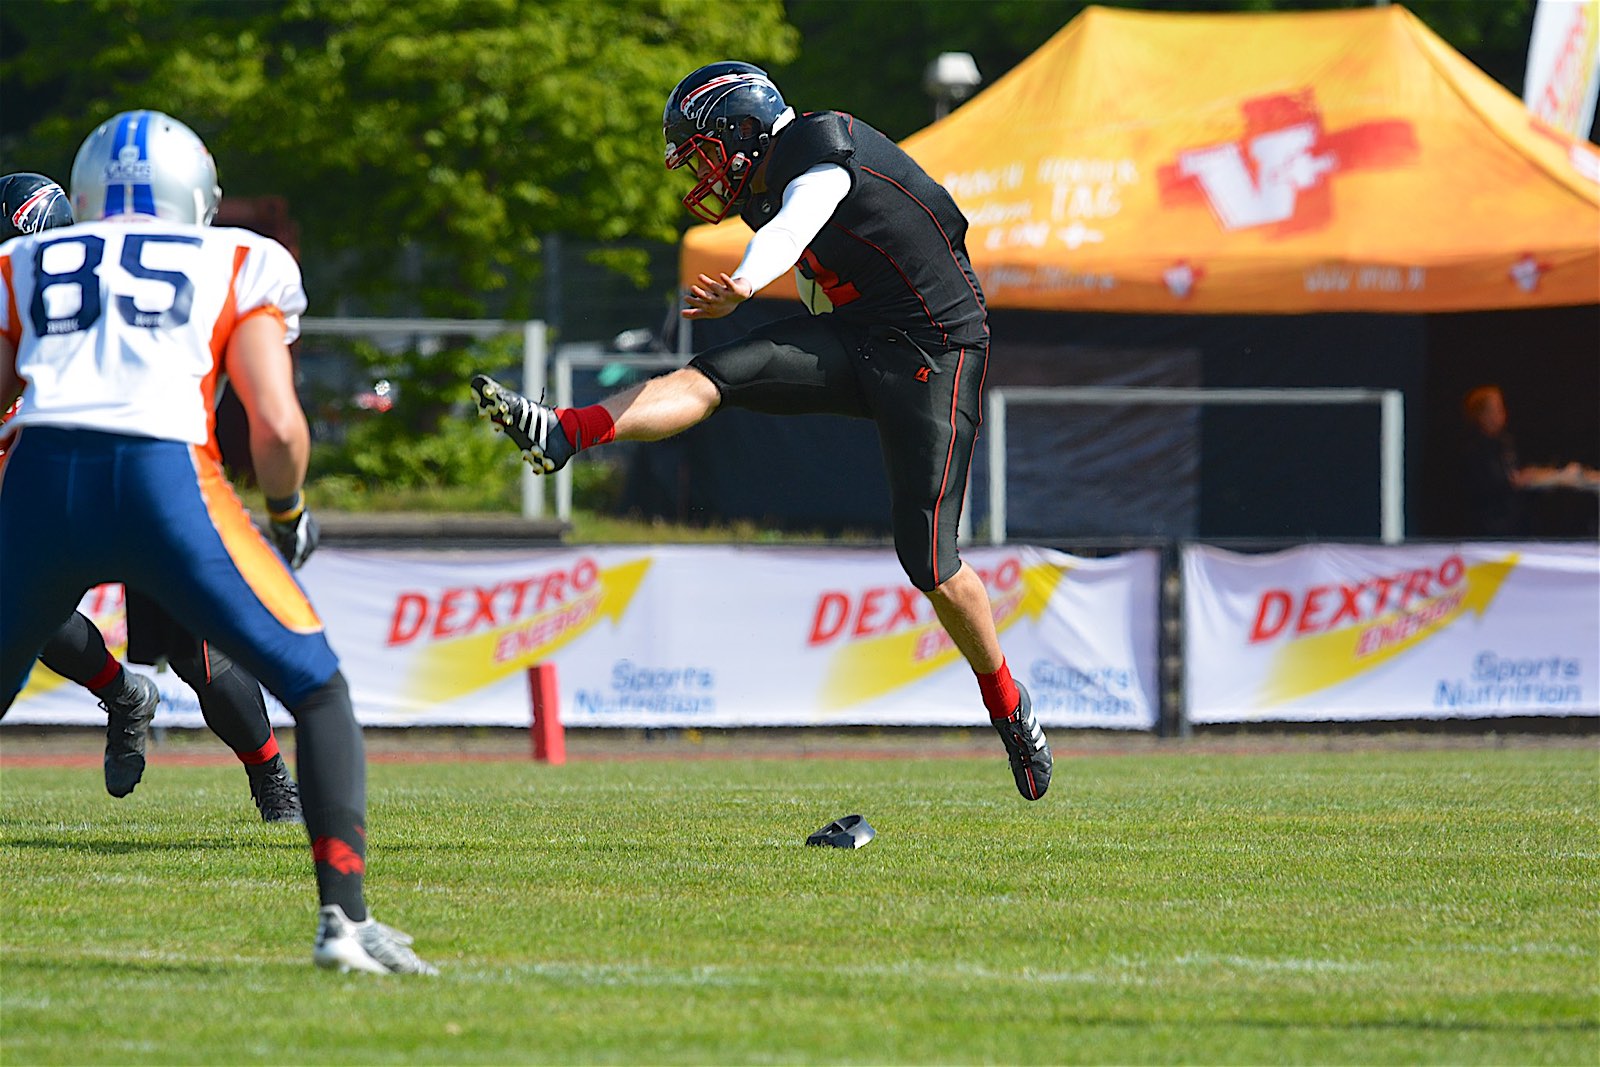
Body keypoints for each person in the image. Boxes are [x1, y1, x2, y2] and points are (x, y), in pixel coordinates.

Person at [471, 62, 1053, 800]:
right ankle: (564, 433)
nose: (701, 169)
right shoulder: (767, 186)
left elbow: (802, 217)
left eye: (705, 148)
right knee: (719, 374)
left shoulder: (819, 144)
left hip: (935, 352)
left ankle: (1008, 705)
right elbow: (814, 265)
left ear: (743, 131)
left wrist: (747, 281)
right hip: (861, 335)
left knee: (930, 563)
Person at [0, 111, 433, 973]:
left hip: (44, 480)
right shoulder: (245, 257)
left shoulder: (20, 262)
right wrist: (286, 513)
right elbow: (275, 423)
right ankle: (344, 923)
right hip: (167, 479)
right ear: (197, 194)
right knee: (317, 686)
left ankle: (238, 761)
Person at [0, 171, 302, 824]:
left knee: (198, 651)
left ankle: (271, 774)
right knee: (23, 610)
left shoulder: (83, 310)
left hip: (132, 476)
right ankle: (124, 694)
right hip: (47, 492)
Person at [1459, 384, 1598, 537]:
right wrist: (1526, 479)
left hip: (1516, 523)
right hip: (1493, 528)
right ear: (1482, 415)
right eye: (1497, 409)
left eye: (1501, 408)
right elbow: (1497, 484)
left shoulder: (1505, 442)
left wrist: (1542, 476)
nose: (1502, 414)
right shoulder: (1474, 450)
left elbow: (1515, 475)